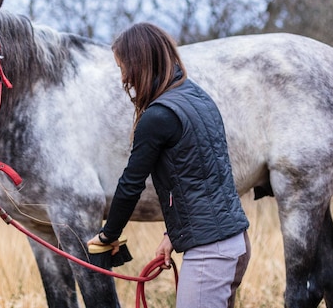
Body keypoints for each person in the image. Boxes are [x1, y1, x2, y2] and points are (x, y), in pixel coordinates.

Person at [87, 22, 251, 308]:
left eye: (123, 66)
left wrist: (108, 235)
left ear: (139, 63)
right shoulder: (198, 97)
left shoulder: (158, 116)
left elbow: (130, 184)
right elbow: (204, 178)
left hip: (210, 254)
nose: (124, 77)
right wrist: (172, 236)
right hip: (235, 243)